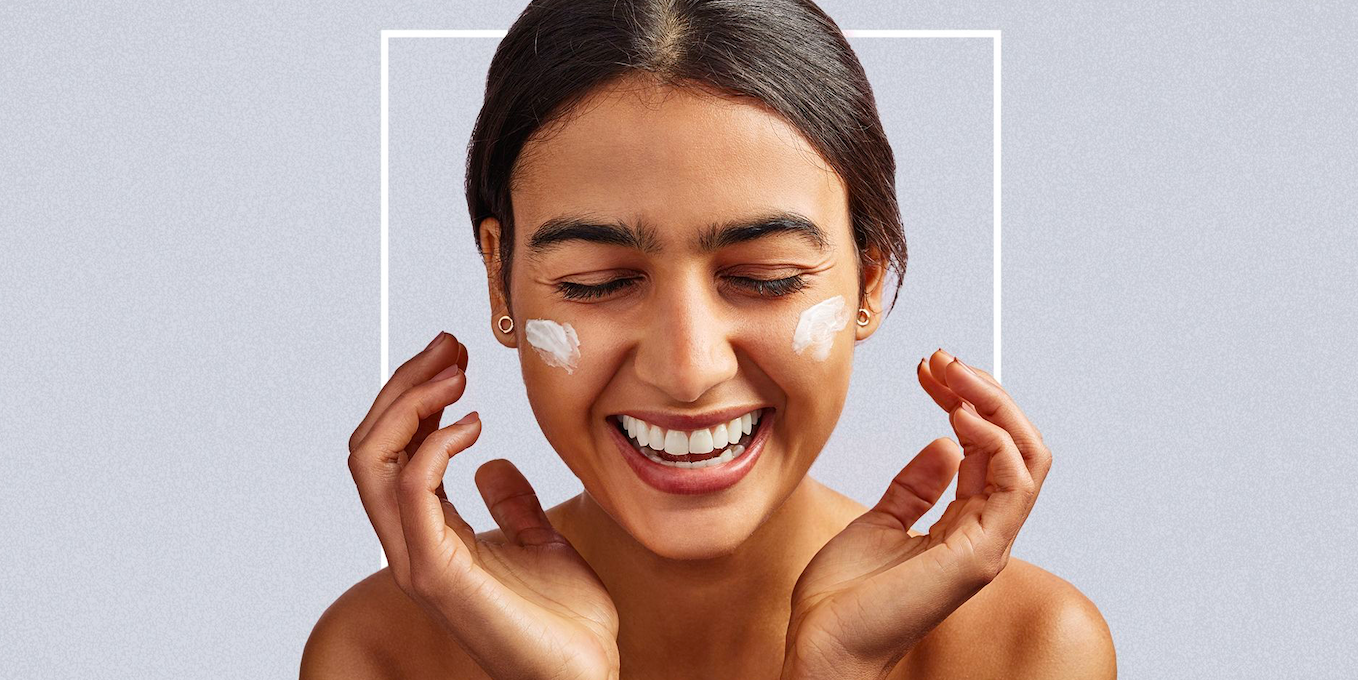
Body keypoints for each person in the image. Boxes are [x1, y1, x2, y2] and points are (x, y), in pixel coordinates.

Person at [302, 0, 1116, 677]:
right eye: (599, 283)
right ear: (498, 279)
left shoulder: (1027, 650)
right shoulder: (383, 654)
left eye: (765, 278)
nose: (687, 370)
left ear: (869, 280)